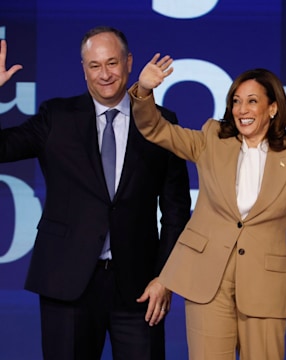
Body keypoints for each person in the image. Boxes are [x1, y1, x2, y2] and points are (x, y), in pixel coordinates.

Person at [0, 27, 191, 359]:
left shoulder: (162, 124)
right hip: (66, 282)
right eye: (95, 65)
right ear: (84, 68)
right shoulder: (55, 117)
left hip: (140, 289)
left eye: (112, 63)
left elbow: (176, 211)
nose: (105, 74)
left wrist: (165, 277)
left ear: (129, 63)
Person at [127, 54, 286, 359]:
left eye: (252, 101)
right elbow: (157, 130)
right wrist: (144, 92)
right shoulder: (212, 138)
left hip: (264, 285)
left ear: (272, 108)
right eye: (236, 101)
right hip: (207, 281)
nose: (242, 110)